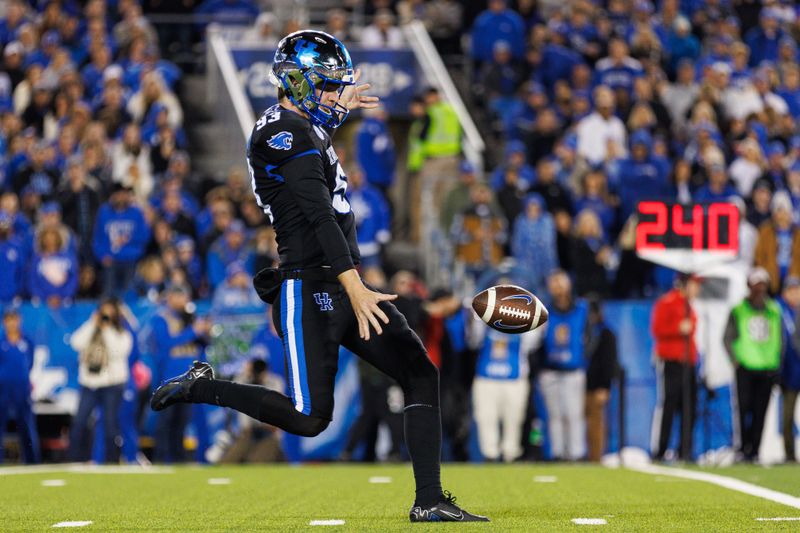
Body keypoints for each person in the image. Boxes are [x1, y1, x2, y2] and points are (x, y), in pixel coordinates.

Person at [151, 30, 487, 523]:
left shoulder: (302, 123)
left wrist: (341, 98)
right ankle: (204, 386)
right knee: (310, 418)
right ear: (300, 84)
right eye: (327, 85)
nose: (335, 94)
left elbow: (316, 140)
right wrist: (355, 285)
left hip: (340, 282)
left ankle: (429, 499)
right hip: (312, 288)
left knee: (419, 370)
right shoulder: (279, 133)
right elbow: (317, 214)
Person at [725, 268, 783, 463]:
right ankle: (743, 448)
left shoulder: (774, 310)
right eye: (756, 284)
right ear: (749, 286)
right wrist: (736, 360)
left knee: (760, 411)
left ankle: (755, 450)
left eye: (763, 284)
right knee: (743, 410)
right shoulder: (739, 310)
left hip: (766, 367)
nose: (760, 288)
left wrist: (777, 364)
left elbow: (780, 339)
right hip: (746, 366)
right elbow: (727, 337)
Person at [150, 284, 211, 463]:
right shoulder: (161, 318)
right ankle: (161, 458)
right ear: (170, 298)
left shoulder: (190, 318)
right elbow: (165, 343)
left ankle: (178, 459)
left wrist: (204, 333)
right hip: (169, 378)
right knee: (166, 420)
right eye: (179, 297)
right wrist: (193, 331)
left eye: (184, 297)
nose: (183, 301)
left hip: (189, 379)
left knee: (181, 422)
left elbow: (202, 345)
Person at [68, 298, 133, 463]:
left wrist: (106, 329)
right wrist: (92, 324)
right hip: (89, 383)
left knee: (110, 425)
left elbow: (117, 351)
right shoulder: (91, 330)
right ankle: (77, 460)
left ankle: (111, 462)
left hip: (112, 385)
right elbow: (75, 342)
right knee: (80, 422)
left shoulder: (122, 333)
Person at [471, 313, 539, 463]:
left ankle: (511, 454)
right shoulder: (483, 321)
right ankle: (490, 454)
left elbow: (533, 343)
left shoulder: (523, 322)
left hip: (514, 379)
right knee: (486, 417)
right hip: (487, 377)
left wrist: (530, 321)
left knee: (514, 418)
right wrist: (477, 318)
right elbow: (473, 340)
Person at [537, 270, 589, 461]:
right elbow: (537, 342)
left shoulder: (582, 308)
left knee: (574, 414)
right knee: (555, 416)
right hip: (550, 370)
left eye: (561, 282)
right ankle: (557, 454)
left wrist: (584, 358)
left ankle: (576, 453)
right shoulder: (544, 311)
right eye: (554, 283)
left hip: (573, 369)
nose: (558, 287)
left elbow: (591, 337)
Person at [650, 273, 700, 462]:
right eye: (695, 285)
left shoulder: (689, 305)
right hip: (672, 362)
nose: (697, 289)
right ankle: (661, 450)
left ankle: (684, 450)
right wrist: (678, 328)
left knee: (689, 408)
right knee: (669, 406)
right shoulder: (668, 302)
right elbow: (657, 329)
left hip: (689, 362)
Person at [0, 308, 40, 464]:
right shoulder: (1, 341)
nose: (11, 323)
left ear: (19, 320)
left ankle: (32, 461)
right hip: (2, 387)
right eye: (8, 320)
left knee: (26, 424)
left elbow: (30, 363)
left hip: (21, 388)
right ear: (4, 322)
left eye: (14, 319)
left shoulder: (27, 341)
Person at [585, 298, 618, 463]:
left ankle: (595, 458)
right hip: (579, 383)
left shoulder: (605, 333)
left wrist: (605, 386)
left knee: (596, 424)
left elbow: (609, 362)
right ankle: (575, 456)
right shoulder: (582, 331)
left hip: (595, 386)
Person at [779, 276, 800, 463]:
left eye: (797, 289)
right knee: (787, 417)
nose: (794, 294)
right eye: (791, 290)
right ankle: (789, 454)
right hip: (789, 374)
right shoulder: (778, 311)